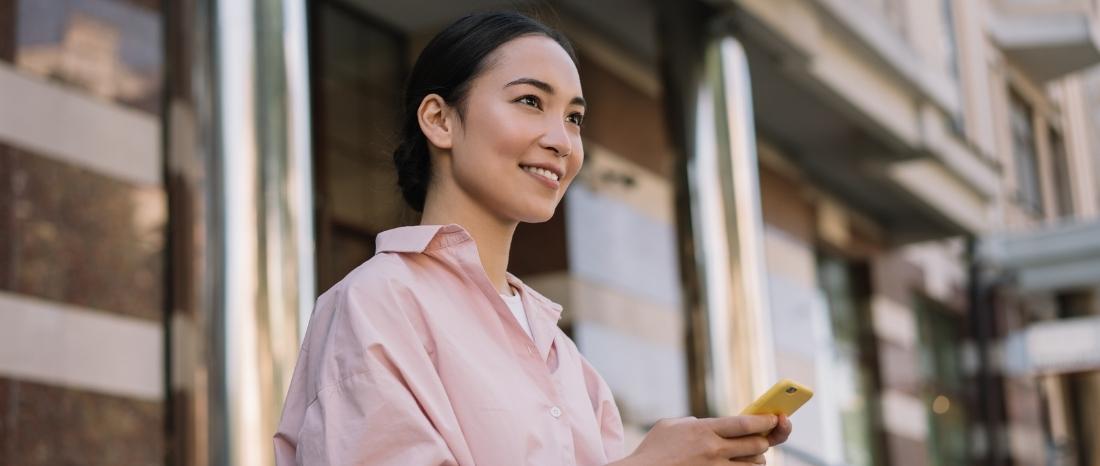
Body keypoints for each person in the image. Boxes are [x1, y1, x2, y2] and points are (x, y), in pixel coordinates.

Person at [273, 11, 793, 465]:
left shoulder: (565, 359)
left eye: (574, 117)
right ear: (438, 120)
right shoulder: (377, 302)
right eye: (529, 101)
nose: (561, 140)